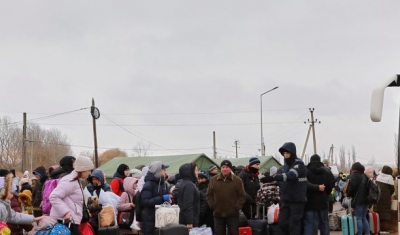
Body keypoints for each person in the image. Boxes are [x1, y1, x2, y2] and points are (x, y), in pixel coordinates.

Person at [263, 142, 307, 235]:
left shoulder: (299, 164)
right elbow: (281, 178)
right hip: (286, 199)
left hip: (297, 200)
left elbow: (292, 175)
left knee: (294, 225)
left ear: (293, 153)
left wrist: (275, 177)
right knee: (282, 223)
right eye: (284, 154)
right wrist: (270, 178)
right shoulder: (285, 166)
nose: (286, 155)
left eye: (287, 153)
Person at [49, 156, 94, 235]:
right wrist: (66, 212)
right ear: (82, 170)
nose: (90, 173)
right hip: (65, 221)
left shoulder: (76, 180)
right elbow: (54, 196)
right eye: (89, 170)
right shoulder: (70, 181)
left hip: (70, 221)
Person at [206, 160, 246, 235]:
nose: (225, 169)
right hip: (218, 214)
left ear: (230, 169)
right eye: (223, 167)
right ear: (220, 168)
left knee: (234, 233)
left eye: (227, 167)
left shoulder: (237, 181)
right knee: (219, 233)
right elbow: (209, 195)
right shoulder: (213, 180)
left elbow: (242, 196)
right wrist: (213, 206)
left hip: (233, 214)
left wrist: (236, 207)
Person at [304, 154, 334, 235]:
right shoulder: (327, 171)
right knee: (324, 222)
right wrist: (325, 193)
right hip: (323, 201)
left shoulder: (306, 171)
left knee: (309, 223)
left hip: (309, 202)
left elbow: (303, 185)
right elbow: (331, 184)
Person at [141, 161, 170, 235]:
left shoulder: (164, 183)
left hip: (161, 219)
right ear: (158, 170)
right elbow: (145, 202)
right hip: (150, 220)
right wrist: (162, 198)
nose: (165, 171)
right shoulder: (149, 184)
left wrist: (169, 199)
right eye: (163, 169)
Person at [347, 162, 370, 235]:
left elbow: (352, 187)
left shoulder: (353, 176)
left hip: (358, 200)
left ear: (354, 169)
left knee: (359, 218)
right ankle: (367, 233)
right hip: (366, 200)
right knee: (364, 218)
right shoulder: (365, 176)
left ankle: (360, 233)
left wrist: (348, 194)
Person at [177, 163, 200, 228]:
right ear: (190, 172)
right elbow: (188, 205)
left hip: (182, 218)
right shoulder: (189, 185)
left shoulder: (182, 183)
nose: (197, 172)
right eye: (195, 170)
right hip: (188, 221)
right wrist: (189, 222)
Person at [375, 165, 394, 232]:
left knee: (379, 212)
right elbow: (392, 190)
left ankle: (378, 228)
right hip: (386, 199)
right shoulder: (390, 178)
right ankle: (386, 228)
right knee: (386, 213)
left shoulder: (378, 177)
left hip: (378, 198)